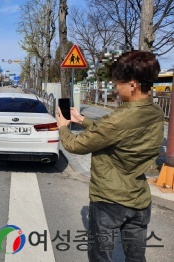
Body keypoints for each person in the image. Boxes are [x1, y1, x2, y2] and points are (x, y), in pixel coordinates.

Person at [56, 50, 164, 262]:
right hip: (140, 199)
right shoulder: (155, 112)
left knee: (100, 256)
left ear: (132, 84)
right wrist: (83, 120)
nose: (115, 87)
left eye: (117, 83)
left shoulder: (119, 118)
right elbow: (118, 132)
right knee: (136, 257)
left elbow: (77, 145)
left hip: (109, 200)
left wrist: (63, 128)